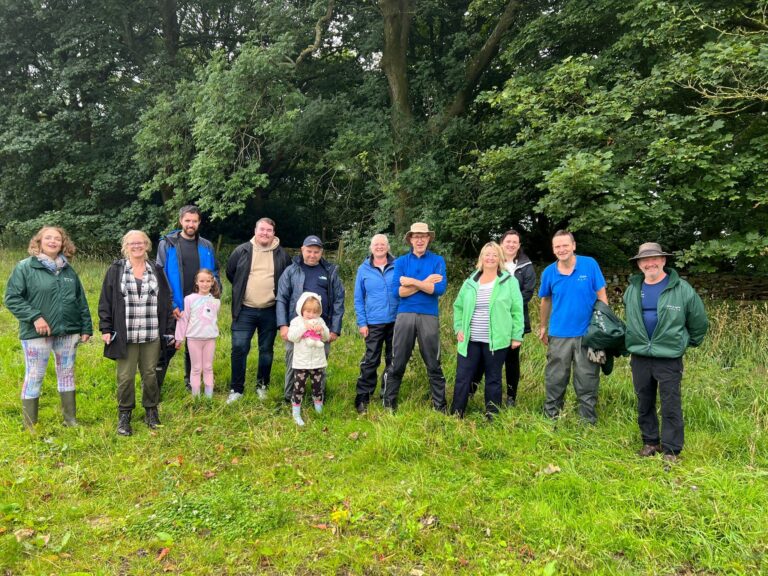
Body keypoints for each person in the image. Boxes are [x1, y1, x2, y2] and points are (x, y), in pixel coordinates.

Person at [623, 242, 708, 462]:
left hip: (668, 357)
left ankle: (671, 450)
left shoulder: (681, 288)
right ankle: (650, 442)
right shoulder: (633, 289)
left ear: (663, 261)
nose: (649, 263)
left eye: (654, 259)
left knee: (671, 404)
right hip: (640, 355)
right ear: (639, 264)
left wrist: (684, 342)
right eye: (644, 260)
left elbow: (698, 321)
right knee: (644, 401)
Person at [4, 226, 92, 429]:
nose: (53, 241)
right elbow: (12, 298)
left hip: (68, 331)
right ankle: (30, 425)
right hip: (37, 333)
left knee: (67, 373)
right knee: (34, 374)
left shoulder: (68, 270)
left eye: (58, 239)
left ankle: (70, 421)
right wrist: (35, 317)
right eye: (48, 238)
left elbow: (80, 300)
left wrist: (86, 327)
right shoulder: (25, 267)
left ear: (63, 244)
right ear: (39, 242)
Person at [98, 230, 175, 436]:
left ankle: (151, 410)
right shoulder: (116, 269)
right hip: (126, 333)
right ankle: (125, 415)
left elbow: (166, 302)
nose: (137, 246)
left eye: (140, 242)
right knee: (125, 376)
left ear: (147, 245)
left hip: (151, 332)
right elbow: (105, 300)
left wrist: (168, 330)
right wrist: (106, 328)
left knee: (150, 374)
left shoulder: (156, 270)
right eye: (132, 243)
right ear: (126, 246)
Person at [538, 230, 607, 423]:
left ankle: (587, 420)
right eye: (557, 246)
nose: (562, 249)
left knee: (587, 378)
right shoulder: (549, 272)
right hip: (559, 334)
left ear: (574, 245)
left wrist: (604, 325)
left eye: (565, 245)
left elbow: (601, 294)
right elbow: (545, 300)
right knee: (555, 378)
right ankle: (551, 417)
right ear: (553, 249)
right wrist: (543, 326)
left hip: (588, 334)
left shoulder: (589, 264)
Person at [452, 242, 524, 420]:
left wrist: (516, 335)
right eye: (487, 254)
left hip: (497, 340)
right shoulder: (470, 281)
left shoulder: (509, 281)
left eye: (494, 255)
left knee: (493, 378)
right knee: (463, 376)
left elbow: (517, 310)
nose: (490, 258)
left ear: (500, 259)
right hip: (470, 339)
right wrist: (458, 328)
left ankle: (492, 415)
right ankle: (456, 413)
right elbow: (458, 306)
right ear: (481, 258)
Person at [382, 222, 448, 412]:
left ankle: (440, 406)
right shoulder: (401, 262)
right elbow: (397, 292)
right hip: (405, 315)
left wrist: (411, 282)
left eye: (423, 236)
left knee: (433, 363)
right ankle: (389, 404)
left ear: (428, 239)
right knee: (398, 360)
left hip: (429, 315)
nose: (419, 240)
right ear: (410, 239)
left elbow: (439, 289)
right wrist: (425, 283)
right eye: (416, 236)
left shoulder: (438, 261)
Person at [226, 217, 291, 403]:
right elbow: (232, 274)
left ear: (273, 233)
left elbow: (286, 280)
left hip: (270, 310)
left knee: (266, 350)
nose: (265, 233)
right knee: (239, 348)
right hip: (244, 309)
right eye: (261, 229)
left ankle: (262, 385)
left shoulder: (282, 255)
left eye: (268, 230)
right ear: (255, 230)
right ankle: (236, 389)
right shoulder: (242, 251)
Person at [470, 230, 537, 406]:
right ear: (501, 243)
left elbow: (527, 293)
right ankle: (471, 390)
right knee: (484, 359)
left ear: (519, 245)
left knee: (512, 361)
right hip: (488, 323)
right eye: (508, 241)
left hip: (513, 321)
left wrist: (503, 306)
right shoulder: (490, 262)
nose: (511, 245)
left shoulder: (526, 266)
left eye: (515, 242)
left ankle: (511, 397)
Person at [156, 205, 220, 391]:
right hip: (175, 305)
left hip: (199, 306)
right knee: (166, 347)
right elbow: (160, 274)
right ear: (181, 221)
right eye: (187, 220)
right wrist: (171, 304)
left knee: (194, 346)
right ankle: (154, 388)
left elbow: (214, 272)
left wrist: (214, 296)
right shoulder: (167, 244)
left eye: (194, 221)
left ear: (199, 222)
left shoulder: (206, 246)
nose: (191, 224)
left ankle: (191, 385)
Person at [276, 235, 345, 403]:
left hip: (321, 327)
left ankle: (318, 396)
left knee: (319, 362)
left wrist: (335, 329)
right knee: (293, 361)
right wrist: (283, 325)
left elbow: (338, 299)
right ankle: (290, 397)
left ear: (321, 252)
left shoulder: (330, 272)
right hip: (297, 326)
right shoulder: (291, 270)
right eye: (309, 251)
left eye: (316, 252)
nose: (312, 255)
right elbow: (281, 298)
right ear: (302, 250)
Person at [352, 233, 398, 414]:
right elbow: (358, 298)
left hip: (395, 320)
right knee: (371, 360)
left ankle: (388, 395)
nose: (379, 247)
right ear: (371, 248)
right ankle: (363, 396)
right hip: (373, 322)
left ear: (388, 247)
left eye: (383, 244)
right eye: (376, 244)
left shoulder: (397, 265)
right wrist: (362, 322)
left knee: (393, 359)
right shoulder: (363, 269)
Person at [174, 269, 221, 398]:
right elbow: (184, 319)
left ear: (212, 282)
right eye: (201, 281)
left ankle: (208, 397)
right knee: (196, 368)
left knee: (208, 367)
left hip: (210, 339)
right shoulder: (189, 299)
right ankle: (196, 398)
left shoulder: (216, 302)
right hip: (194, 339)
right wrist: (179, 338)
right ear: (196, 282)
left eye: (208, 281)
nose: (204, 284)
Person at [287, 292, 330, 426]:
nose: (311, 315)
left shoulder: (320, 321)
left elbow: (326, 337)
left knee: (318, 387)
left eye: (315, 312)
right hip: (301, 363)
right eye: (308, 311)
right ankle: (296, 413)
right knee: (299, 387)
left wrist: (321, 330)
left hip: (317, 362)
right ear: (301, 309)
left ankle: (319, 409)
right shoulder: (296, 322)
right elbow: (292, 337)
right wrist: (304, 327)